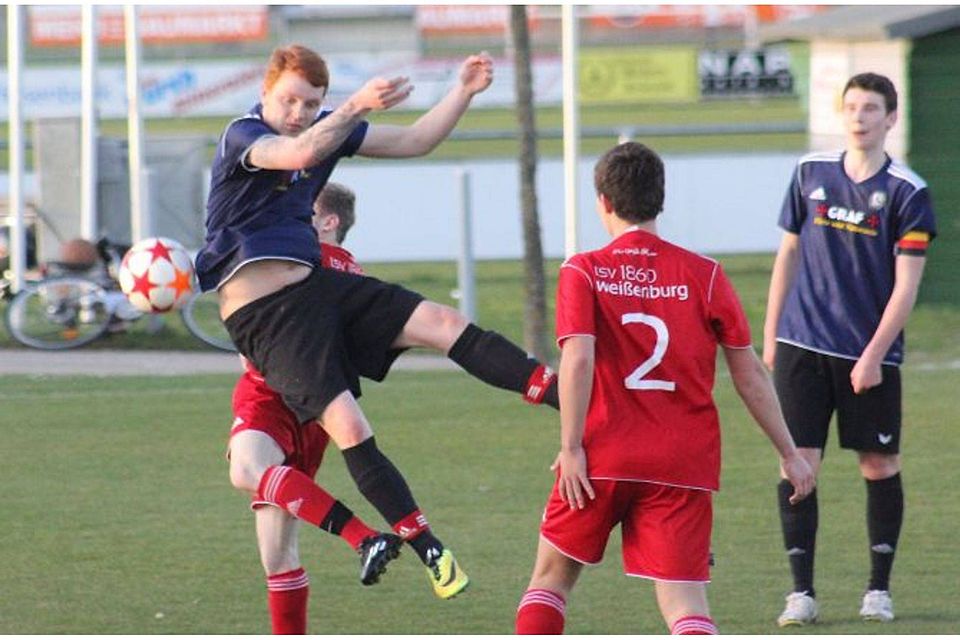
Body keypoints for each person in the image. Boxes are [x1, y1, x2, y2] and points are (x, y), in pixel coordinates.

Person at [197, 45, 558, 606]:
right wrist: (354, 107)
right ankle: (429, 548)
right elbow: (297, 152)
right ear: (266, 92)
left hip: (316, 287)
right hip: (265, 316)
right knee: (349, 425)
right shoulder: (244, 135)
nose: (298, 109)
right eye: (288, 98)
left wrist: (460, 92)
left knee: (441, 320)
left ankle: (575, 401)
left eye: (310, 101)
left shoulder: (325, 126)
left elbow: (416, 140)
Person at [513, 142, 814, 635]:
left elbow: (579, 357)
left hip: (601, 456)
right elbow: (749, 374)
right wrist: (789, 452)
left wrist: (569, 446)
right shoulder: (706, 275)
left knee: (550, 581)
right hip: (682, 461)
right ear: (660, 200)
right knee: (685, 607)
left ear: (603, 203)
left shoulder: (583, 270)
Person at [763, 72, 937, 626]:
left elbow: (907, 287)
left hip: (870, 355)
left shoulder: (909, 192)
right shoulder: (808, 173)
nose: (860, 116)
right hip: (800, 345)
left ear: (892, 118)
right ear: (843, 115)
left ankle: (877, 591)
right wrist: (771, 337)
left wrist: (872, 355)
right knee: (798, 465)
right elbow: (787, 255)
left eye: (872, 108)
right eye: (852, 107)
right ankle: (802, 594)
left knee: (879, 463)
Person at [228, 183, 400, 634]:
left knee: (246, 471)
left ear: (330, 223)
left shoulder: (305, 260)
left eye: (307, 213)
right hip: (319, 411)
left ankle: (362, 537)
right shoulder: (355, 279)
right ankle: (362, 541)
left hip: (271, 395)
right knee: (278, 555)